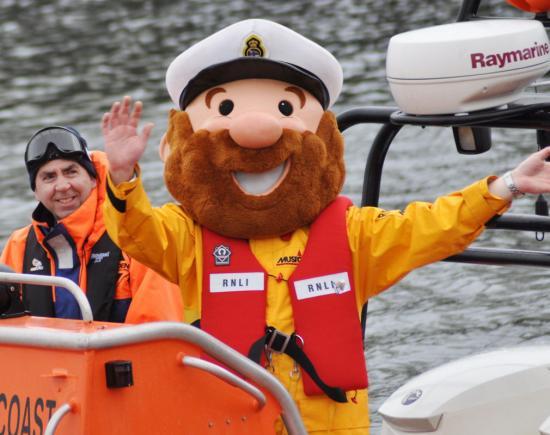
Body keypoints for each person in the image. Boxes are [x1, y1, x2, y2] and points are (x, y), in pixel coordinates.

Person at [100, 19, 550, 434]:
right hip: (230, 422)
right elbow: (136, 231)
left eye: (282, 107)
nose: (256, 129)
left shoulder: (354, 234)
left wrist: (507, 185)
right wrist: (122, 178)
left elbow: (431, 225)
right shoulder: (188, 236)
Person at [0, 125, 183, 323]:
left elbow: (159, 330)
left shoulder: (139, 236)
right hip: (41, 354)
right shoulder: (19, 246)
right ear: (35, 190)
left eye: (71, 172)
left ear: (93, 178)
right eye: (49, 177)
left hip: (122, 354)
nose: (62, 186)